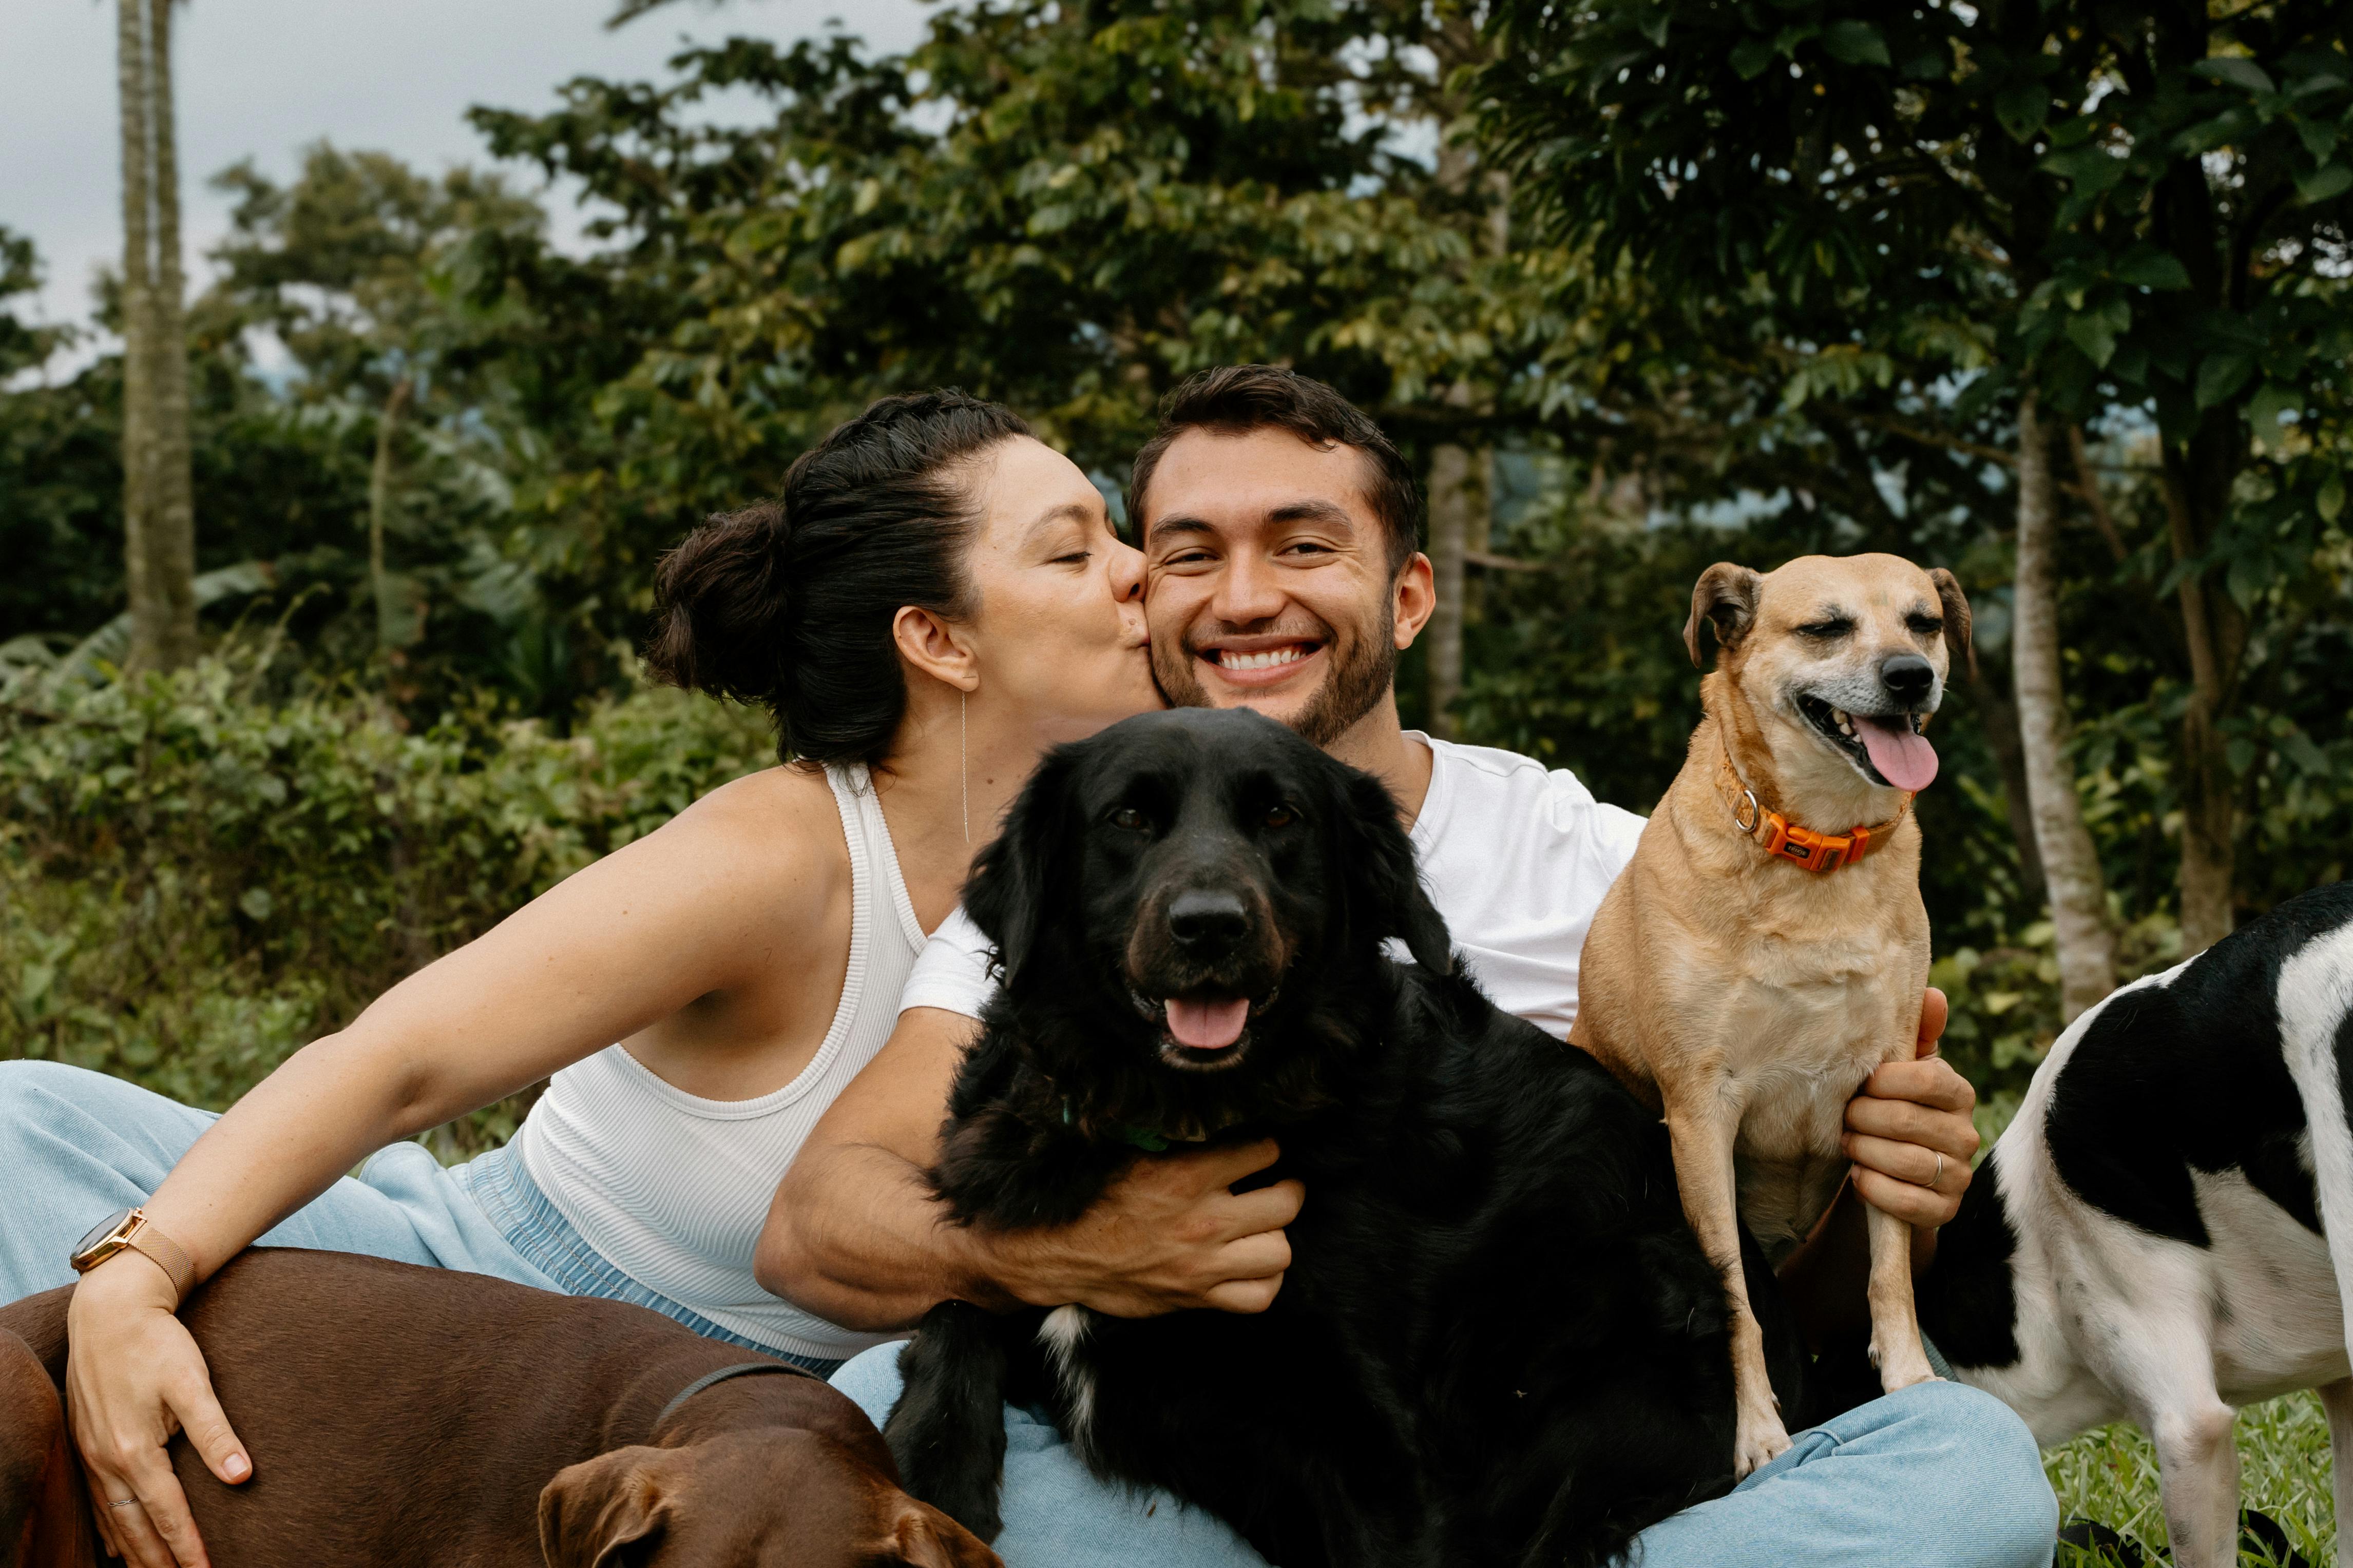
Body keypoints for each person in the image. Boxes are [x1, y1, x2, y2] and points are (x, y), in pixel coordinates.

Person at [763, 367, 2059, 1568]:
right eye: (1190, 555)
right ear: (1144, 597)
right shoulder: (1085, 890)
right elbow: (820, 1224)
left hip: (1563, 1459)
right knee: (890, 1401)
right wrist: (1072, 1255)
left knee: (1970, 1474)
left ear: (1410, 594)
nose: (1247, 595)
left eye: (1305, 543)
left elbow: (1758, 1302)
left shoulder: (1636, 872)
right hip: (1230, 1452)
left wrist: (1881, 1180)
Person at [0, 391, 1165, 1568]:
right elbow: (398, 1060)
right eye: (1077, 549)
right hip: (462, 1291)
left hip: (770, 1422)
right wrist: (132, 1277)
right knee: (21, 1123)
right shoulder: (786, 853)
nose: (1142, 573)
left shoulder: (1169, 887)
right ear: (939, 640)